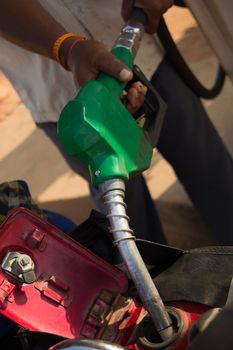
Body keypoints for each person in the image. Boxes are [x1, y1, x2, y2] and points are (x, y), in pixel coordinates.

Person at [1, 0, 233, 245]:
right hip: (65, 98)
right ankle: (156, 279)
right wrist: (66, 48)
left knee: (207, 165)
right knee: (128, 221)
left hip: (138, 47)